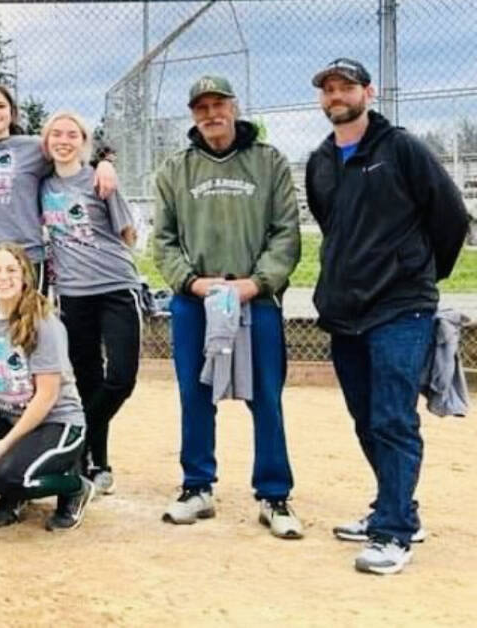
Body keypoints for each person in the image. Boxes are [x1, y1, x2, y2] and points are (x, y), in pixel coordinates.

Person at [305, 58, 468, 575]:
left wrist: (418, 274)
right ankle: (399, 509)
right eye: (329, 89)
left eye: (346, 87)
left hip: (400, 306)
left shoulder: (401, 149)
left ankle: (393, 532)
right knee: (365, 418)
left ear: (368, 93)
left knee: (393, 418)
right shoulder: (321, 160)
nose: (337, 95)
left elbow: (451, 216)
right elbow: (333, 226)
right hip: (345, 309)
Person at [152, 74, 303, 538]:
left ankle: (274, 494)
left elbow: (286, 232)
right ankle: (197, 487)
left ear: (234, 107)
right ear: (193, 114)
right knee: (195, 394)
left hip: (254, 297)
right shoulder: (176, 169)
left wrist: (256, 284)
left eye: (219, 104)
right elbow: (163, 240)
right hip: (196, 300)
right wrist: (192, 283)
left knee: (266, 396)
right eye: (202, 107)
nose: (211, 114)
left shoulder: (268, 161)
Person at [0, 83, 114, 389]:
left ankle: (30, 411)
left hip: (24, 264)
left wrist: (103, 162)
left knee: (23, 343)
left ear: (12, 112)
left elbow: (71, 145)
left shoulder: (34, 147)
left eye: (0, 106)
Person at [0, 243, 94, 531]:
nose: (3, 277)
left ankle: (75, 486)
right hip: (11, 419)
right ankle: (14, 490)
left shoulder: (43, 321)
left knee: (9, 476)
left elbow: (47, 395)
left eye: (11, 270)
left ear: (25, 275)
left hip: (57, 422)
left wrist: (6, 443)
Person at [40, 110, 142, 495]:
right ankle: (97, 463)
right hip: (72, 293)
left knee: (121, 378)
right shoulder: (42, 184)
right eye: (56, 134)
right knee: (87, 378)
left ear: (84, 143)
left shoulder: (99, 179)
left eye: (72, 135)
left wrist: (105, 166)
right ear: (46, 141)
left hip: (115, 286)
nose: (64, 141)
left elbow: (128, 233)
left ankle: (78, 439)